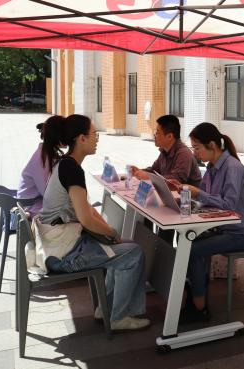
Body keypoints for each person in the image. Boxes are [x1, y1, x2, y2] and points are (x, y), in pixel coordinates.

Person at [38, 114, 149, 331]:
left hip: (57, 247)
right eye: (94, 134)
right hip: (63, 255)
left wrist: (110, 234)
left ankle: (105, 309)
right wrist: (112, 233)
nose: (97, 139)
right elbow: (86, 218)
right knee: (134, 253)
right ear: (81, 138)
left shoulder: (64, 164)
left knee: (122, 248)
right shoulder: (71, 169)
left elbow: (86, 209)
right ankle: (119, 318)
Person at [182, 122, 244, 320]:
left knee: (191, 249)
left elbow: (229, 205)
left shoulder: (233, 168)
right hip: (225, 227)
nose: (194, 153)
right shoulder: (212, 167)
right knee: (186, 241)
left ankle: (199, 306)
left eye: (197, 148)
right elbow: (206, 197)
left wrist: (198, 194)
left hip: (241, 232)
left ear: (212, 145)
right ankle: (196, 293)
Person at [130, 115, 201, 187]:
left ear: (169, 136)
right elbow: (154, 170)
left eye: (157, 132)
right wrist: (139, 171)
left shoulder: (184, 153)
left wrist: (148, 177)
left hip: (187, 194)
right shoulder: (165, 150)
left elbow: (176, 180)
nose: (154, 135)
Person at [17, 121, 50, 215]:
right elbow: (47, 192)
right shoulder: (42, 158)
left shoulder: (46, 154)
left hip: (36, 200)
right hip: (30, 207)